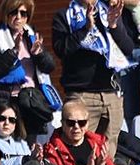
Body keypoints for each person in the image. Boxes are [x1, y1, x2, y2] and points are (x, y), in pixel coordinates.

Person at [51, 0, 135, 140]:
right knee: (78, 149)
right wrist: (85, 29)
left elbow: (128, 48)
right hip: (81, 94)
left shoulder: (107, 11)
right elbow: (61, 49)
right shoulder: (64, 15)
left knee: (108, 153)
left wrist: (114, 25)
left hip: (111, 94)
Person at [0, 0, 58, 139]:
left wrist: (38, 53)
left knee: (28, 148)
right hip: (6, 100)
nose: (18, 17)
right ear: (6, 14)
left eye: (23, 13)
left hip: (30, 102)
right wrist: (14, 51)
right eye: (14, 12)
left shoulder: (31, 35)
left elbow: (49, 67)